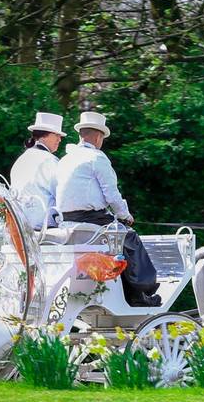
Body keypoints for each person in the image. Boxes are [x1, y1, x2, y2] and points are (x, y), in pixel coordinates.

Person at [55, 111, 161, 307]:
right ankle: (141, 294)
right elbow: (111, 194)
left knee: (122, 236)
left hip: (66, 220)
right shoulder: (97, 158)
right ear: (98, 136)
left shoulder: (65, 159)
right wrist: (125, 215)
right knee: (130, 238)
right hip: (91, 219)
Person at [10, 112, 66, 230]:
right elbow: (62, 194)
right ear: (45, 135)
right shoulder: (49, 160)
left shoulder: (20, 160)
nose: (60, 140)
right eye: (57, 135)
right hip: (44, 230)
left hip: (20, 228)